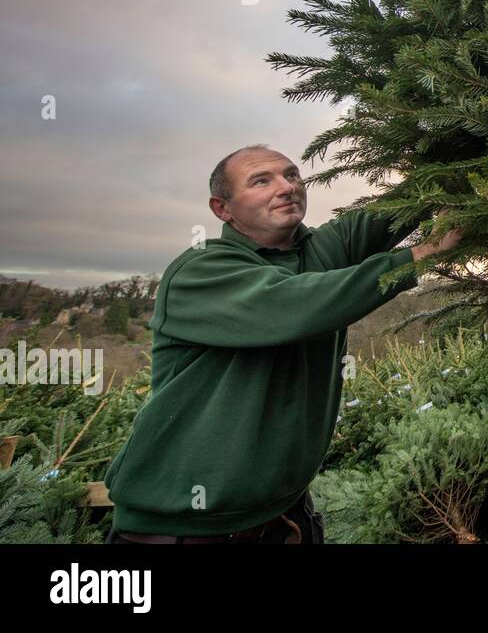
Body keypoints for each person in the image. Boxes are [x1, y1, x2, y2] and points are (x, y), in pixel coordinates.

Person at [103, 144, 459, 543]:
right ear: (222, 209)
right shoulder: (200, 271)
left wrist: (457, 137)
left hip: (286, 516)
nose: (287, 187)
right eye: (261, 180)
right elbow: (297, 304)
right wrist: (424, 254)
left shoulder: (323, 249)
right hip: (182, 529)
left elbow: (403, 204)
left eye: (292, 176)